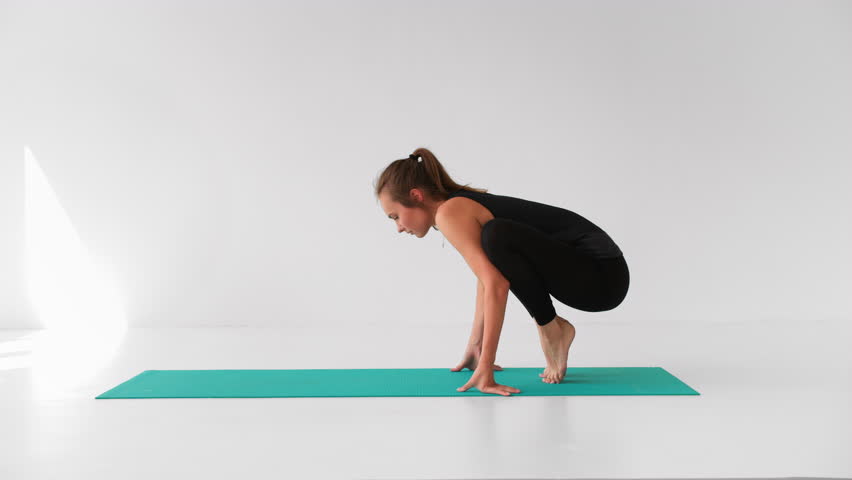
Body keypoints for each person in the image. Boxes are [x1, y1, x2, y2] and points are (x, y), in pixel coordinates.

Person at [375, 148, 630, 396]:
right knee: (495, 241)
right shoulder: (456, 207)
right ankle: (552, 327)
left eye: (395, 216)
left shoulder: (449, 212)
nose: (398, 227)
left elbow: (496, 284)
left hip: (601, 276)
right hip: (598, 275)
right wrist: (476, 347)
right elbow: (486, 278)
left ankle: (551, 328)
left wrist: (487, 367)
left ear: (416, 195)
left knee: (496, 235)